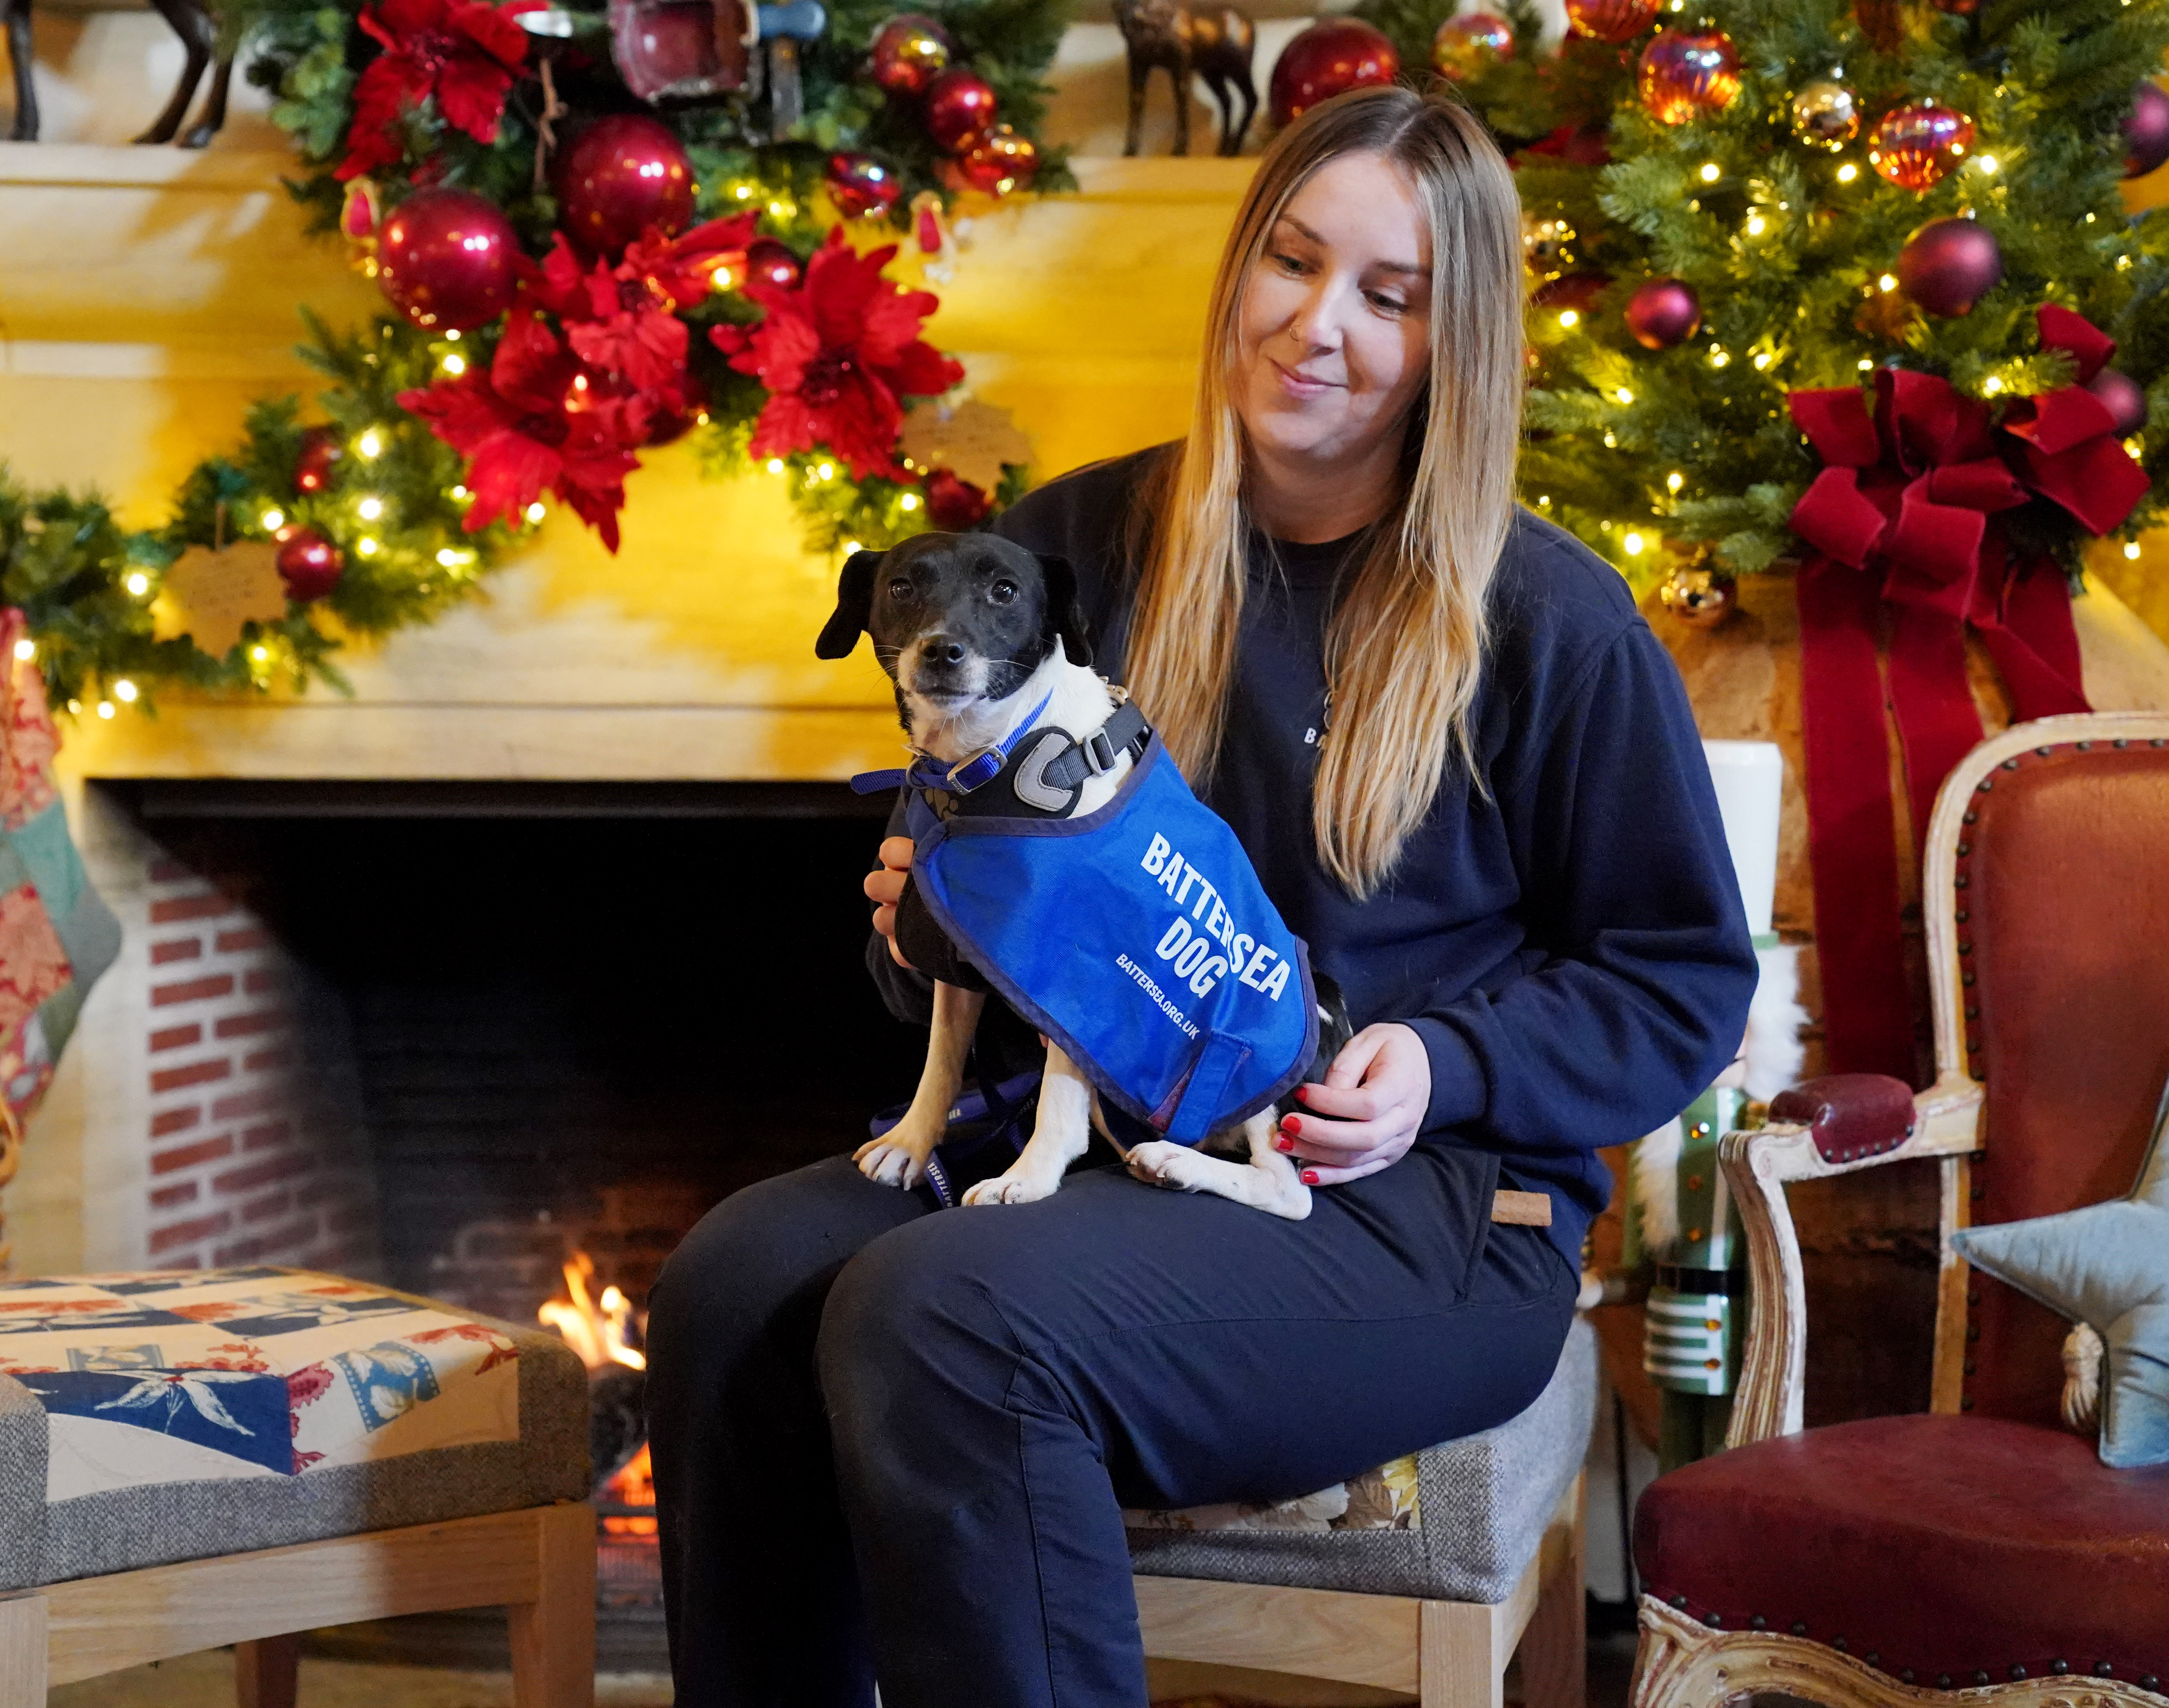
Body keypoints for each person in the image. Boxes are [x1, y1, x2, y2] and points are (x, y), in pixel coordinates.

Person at [646, 85, 1755, 1708]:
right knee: (729, 1287)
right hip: (1082, 1143)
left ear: (1462, 340)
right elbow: (955, 935)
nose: (1316, 327)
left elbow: (1679, 982)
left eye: (1388, 297)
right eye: (1292, 263)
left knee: (941, 1312)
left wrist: (1444, 1066)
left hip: (1418, 1209)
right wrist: (916, 918)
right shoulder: (1074, 542)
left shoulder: (1548, 618)